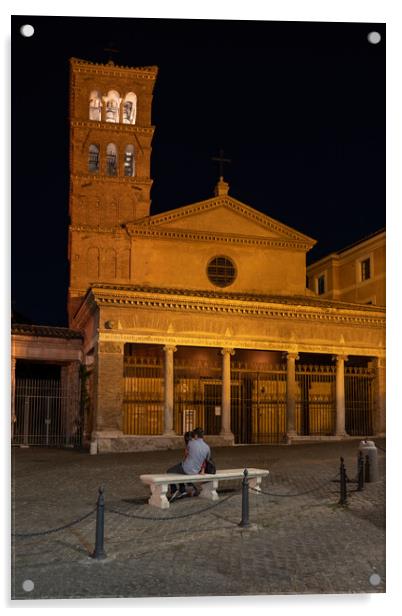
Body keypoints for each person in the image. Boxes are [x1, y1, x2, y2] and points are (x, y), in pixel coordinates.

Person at [167, 427, 211, 502]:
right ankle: (183, 489)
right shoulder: (207, 447)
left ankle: (174, 491)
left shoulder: (191, 443)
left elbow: (186, 455)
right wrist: (202, 470)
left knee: (169, 471)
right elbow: (206, 460)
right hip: (197, 471)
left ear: (196, 435)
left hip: (186, 468)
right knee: (180, 472)